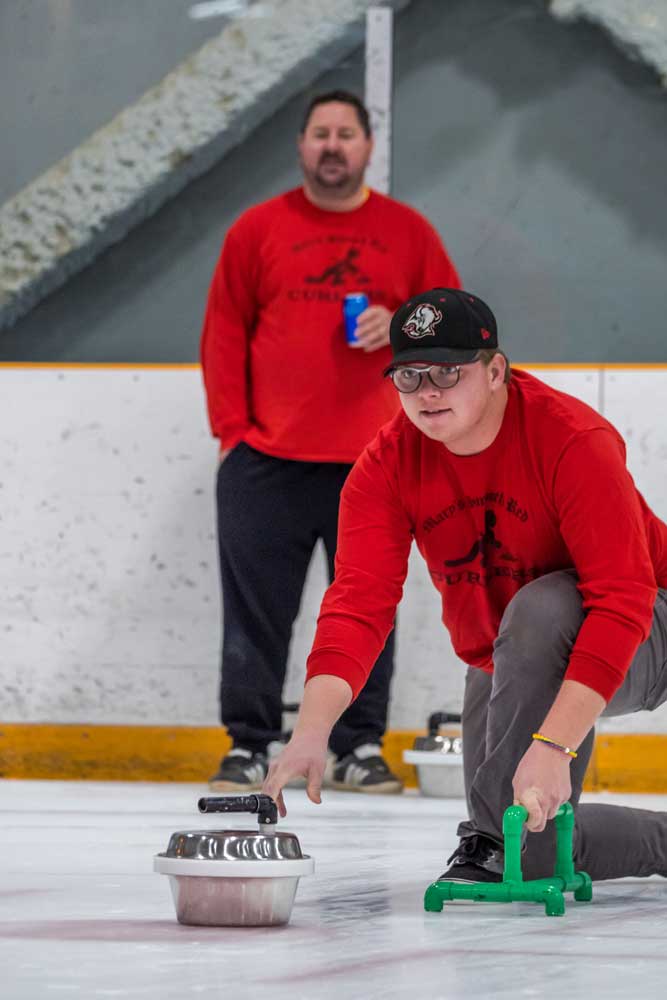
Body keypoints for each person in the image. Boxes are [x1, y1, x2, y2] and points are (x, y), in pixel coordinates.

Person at [264, 287, 667, 884]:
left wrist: (555, 746)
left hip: (646, 624)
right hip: (515, 649)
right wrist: (312, 730)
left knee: (543, 607)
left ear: (496, 370)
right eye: (410, 375)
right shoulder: (387, 466)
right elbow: (357, 604)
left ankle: (487, 834)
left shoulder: (571, 440)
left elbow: (621, 597)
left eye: (448, 372)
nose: (428, 391)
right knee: (522, 855)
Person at [201, 91, 461, 793]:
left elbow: (456, 335)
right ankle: (249, 740)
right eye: (320, 133)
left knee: (366, 604)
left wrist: (403, 324)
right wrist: (233, 435)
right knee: (256, 612)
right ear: (301, 145)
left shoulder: (407, 232)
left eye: (346, 133)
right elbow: (223, 334)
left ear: (368, 147)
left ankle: (358, 745)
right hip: (266, 461)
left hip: (376, 461)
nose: (332, 145)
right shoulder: (257, 229)